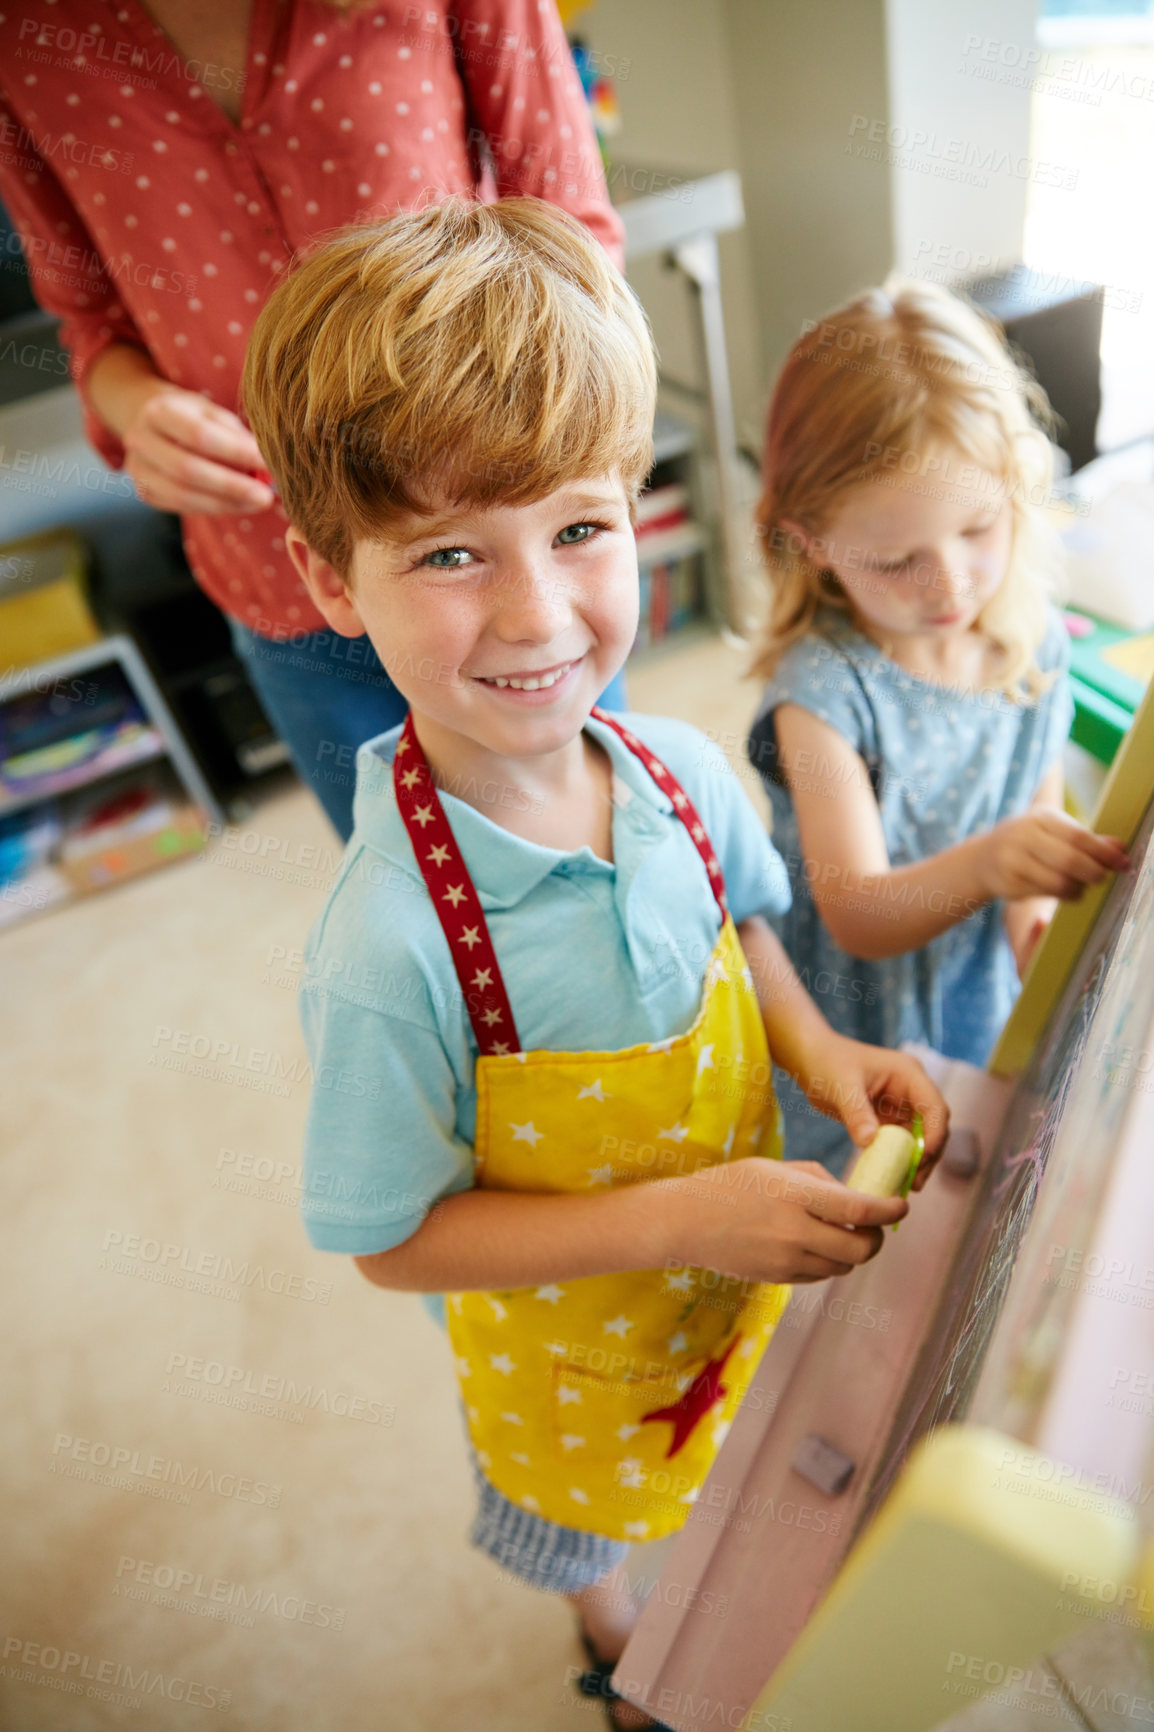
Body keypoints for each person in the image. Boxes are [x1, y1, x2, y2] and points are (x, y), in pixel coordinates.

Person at [241, 197, 949, 1730]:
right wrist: (691, 1210)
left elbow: (744, 924)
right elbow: (392, 1239)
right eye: (445, 552)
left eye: (578, 527)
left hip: (724, 1273)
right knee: (585, 1525)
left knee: (739, 1433)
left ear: (641, 508)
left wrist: (822, 1057)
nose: (537, 612)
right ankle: (619, 1653)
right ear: (321, 579)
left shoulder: (684, 765)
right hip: (564, 1362)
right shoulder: (389, 945)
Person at [0, 0, 624, 836]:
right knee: (416, 884)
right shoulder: (22, 39)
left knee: (602, 837)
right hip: (267, 567)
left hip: (505, 546)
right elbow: (90, 322)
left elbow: (573, 238)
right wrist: (136, 408)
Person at [745, 279, 1131, 1176]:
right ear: (811, 542)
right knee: (863, 1216)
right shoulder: (822, 696)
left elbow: (1029, 836)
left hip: (973, 1004)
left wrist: (1033, 921)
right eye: (897, 559)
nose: (951, 582)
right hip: (855, 1031)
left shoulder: (1030, 644)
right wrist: (993, 860)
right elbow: (859, 915)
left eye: (978, 528)